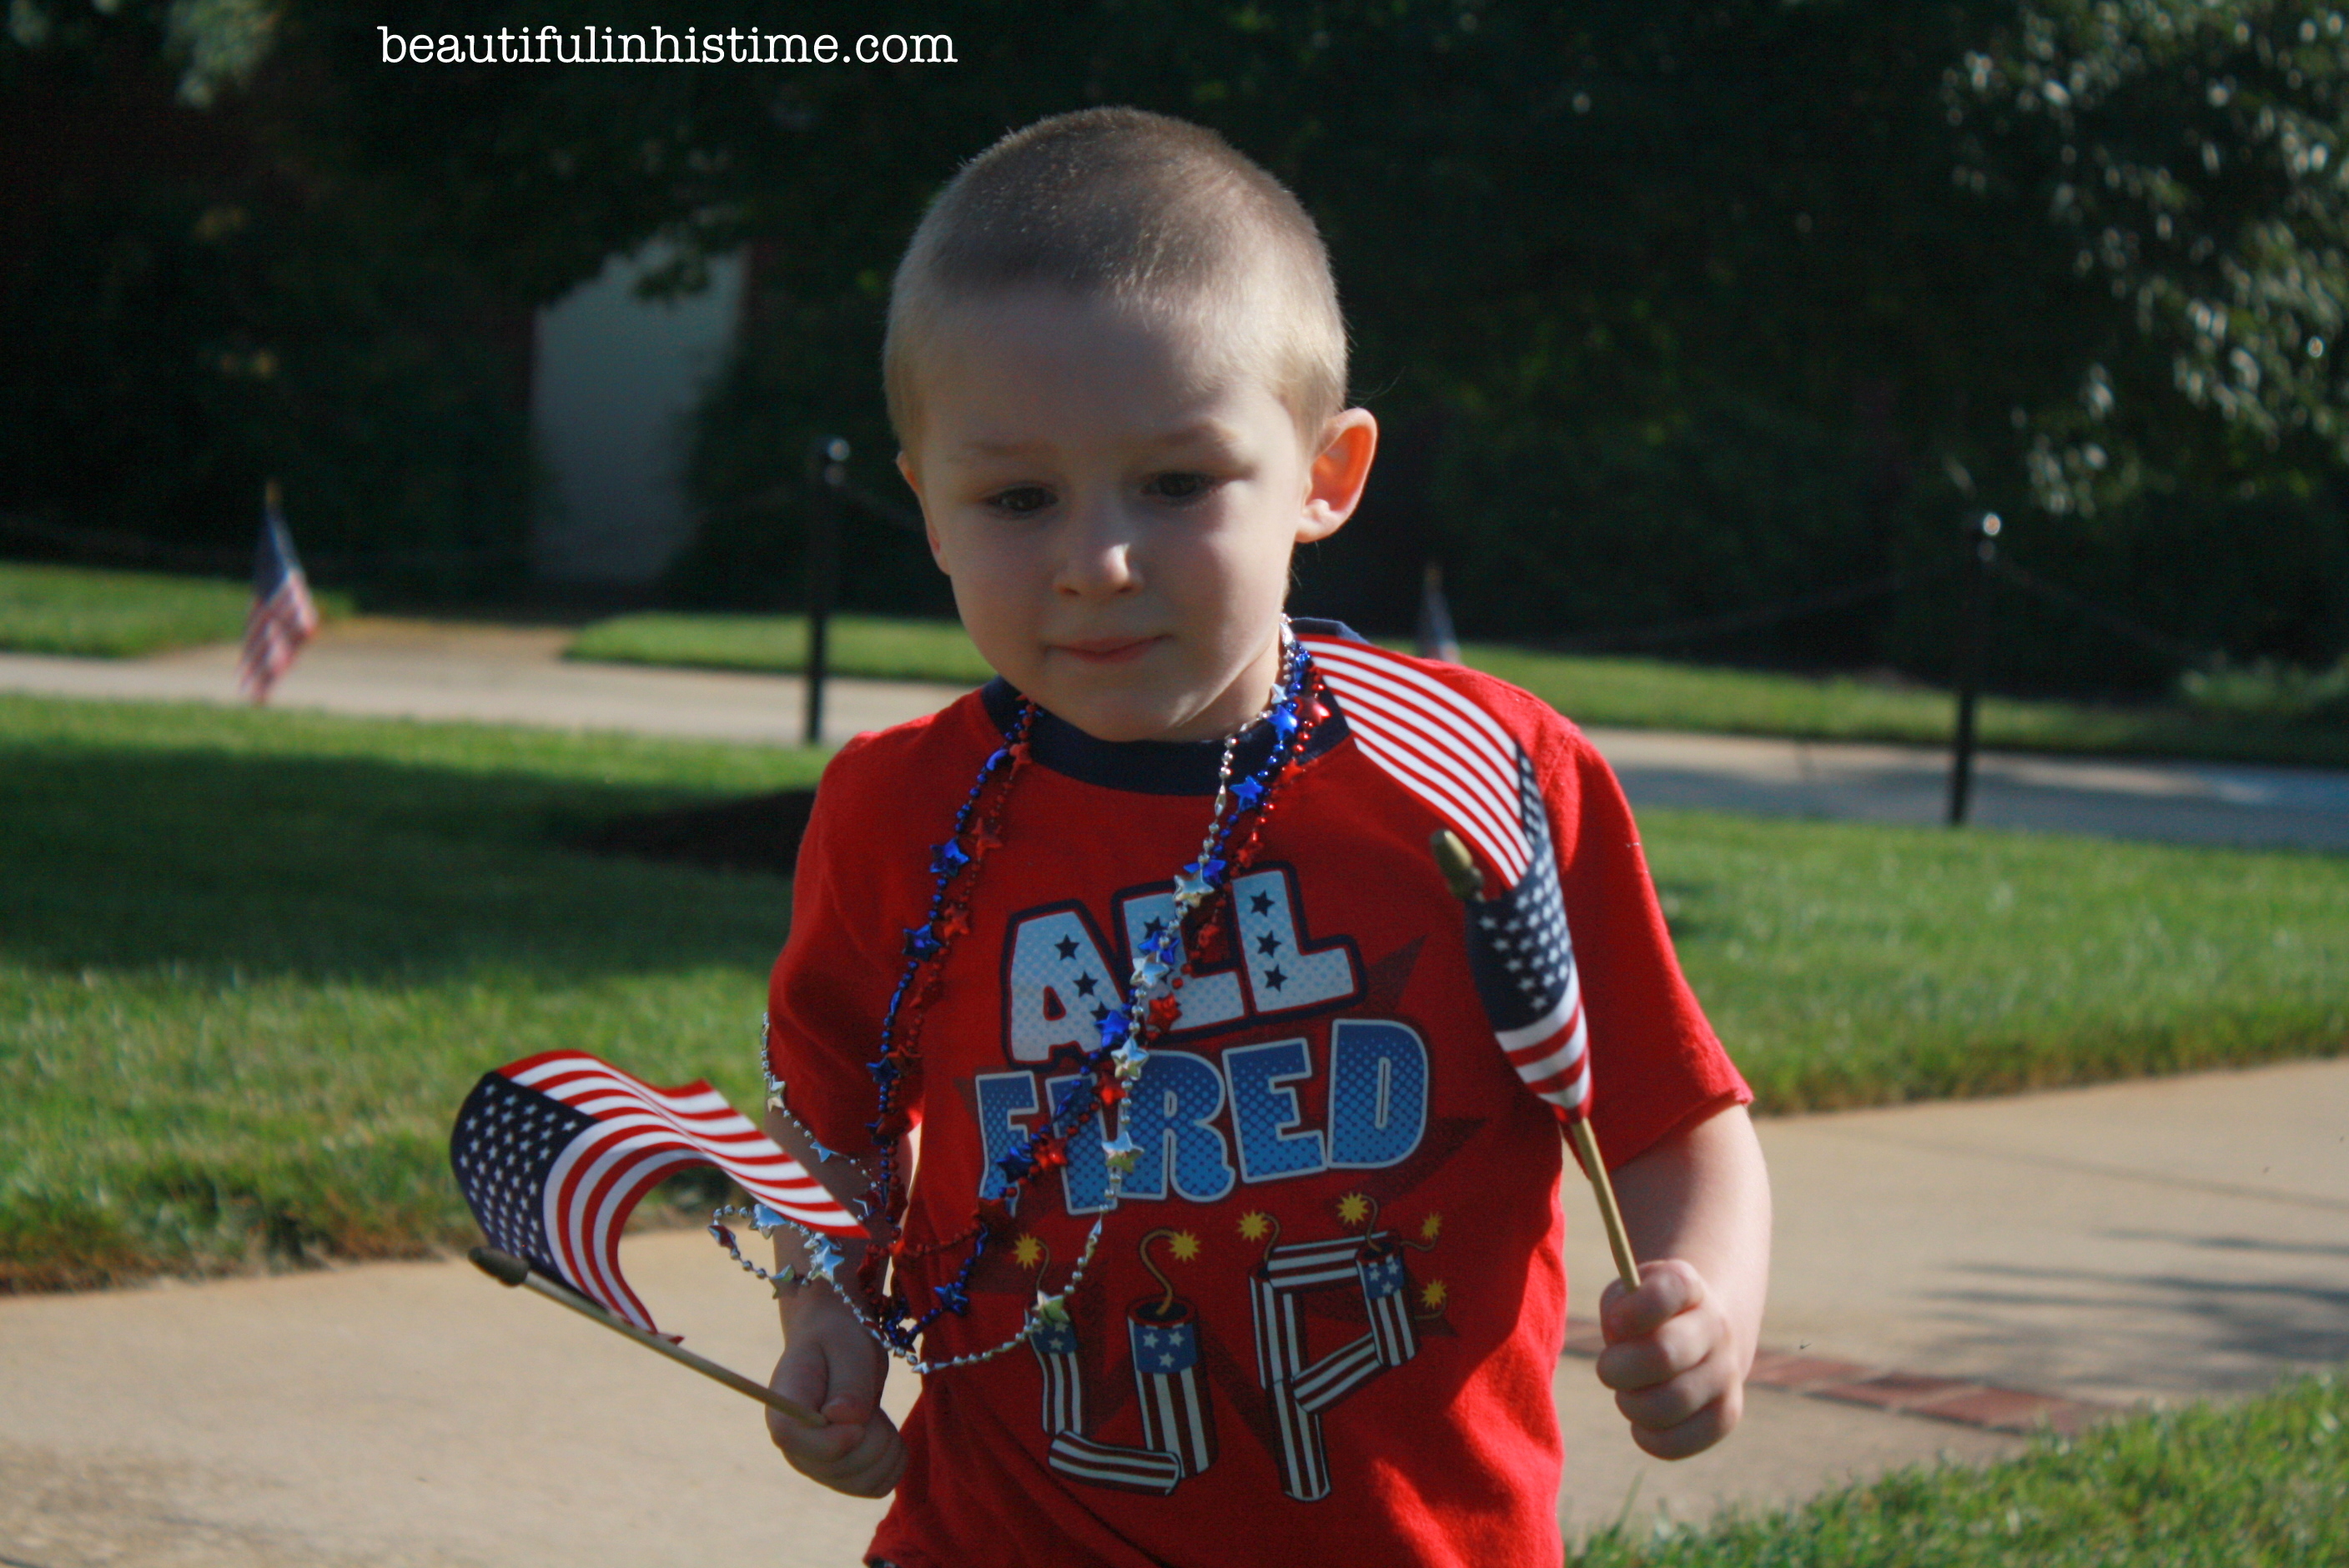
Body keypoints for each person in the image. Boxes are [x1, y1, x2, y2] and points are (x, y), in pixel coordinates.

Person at [758, 106, 1771, 1567]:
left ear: (1326, 474)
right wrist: (826, 1323)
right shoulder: (896, 811)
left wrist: (1707, 1301)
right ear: (926, 504)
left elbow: (1675, 1118)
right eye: (1018, 497)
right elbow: (827, 1127)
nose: (1098, 561)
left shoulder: (1481, 776)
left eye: (1176, 483)